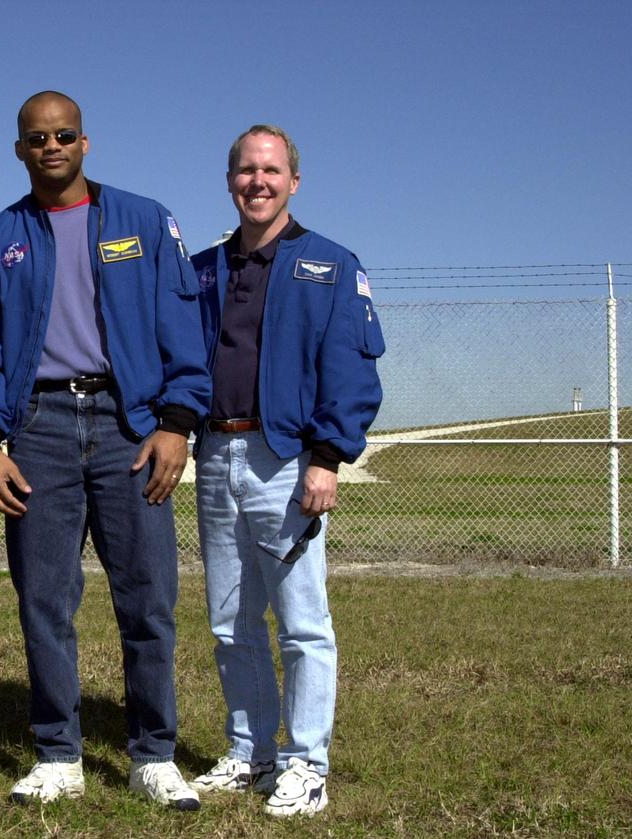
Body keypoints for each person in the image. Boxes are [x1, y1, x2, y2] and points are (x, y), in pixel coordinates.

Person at [0, 91, 210, 810]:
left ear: (86, 141)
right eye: (37, 138)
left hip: (129, 424)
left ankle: (153, 754)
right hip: (36, 428)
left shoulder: (144, 220)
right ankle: (58, 753)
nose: (52, 147)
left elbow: (181, 325)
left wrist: (175, 422)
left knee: (149, 597)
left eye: (64, 134)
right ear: (19, 150)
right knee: (43, 598)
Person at [189, 125, 385, 817]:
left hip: (288, 460)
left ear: (293, 181)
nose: (258, 182)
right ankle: (250, 751)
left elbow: (353, 372)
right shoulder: (206, 270)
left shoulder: (329, 264)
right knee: (229, 622)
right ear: (230, 180)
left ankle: (307, 763)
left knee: (302, 623)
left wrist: (327, 457)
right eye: (246, 170)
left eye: (271, 171)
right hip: (215, 456)